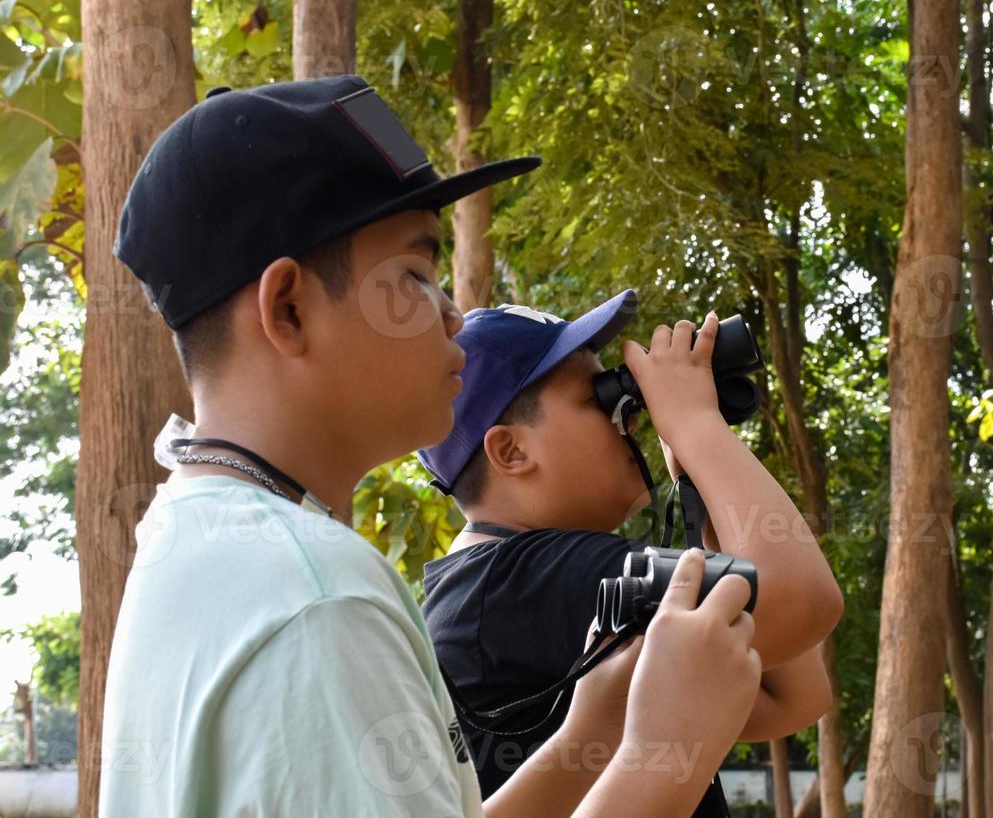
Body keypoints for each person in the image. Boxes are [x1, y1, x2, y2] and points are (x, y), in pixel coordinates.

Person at [100, 74, 762, 817]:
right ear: (288, 309)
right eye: (415, 275)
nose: (452, 316)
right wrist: (657, 757)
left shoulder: (198, 535)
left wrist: (594, 734)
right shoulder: (317, 597)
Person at [416, 291, 845, 816]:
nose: (632, 418)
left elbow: (792, 696)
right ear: (511, 451)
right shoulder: (539, 574)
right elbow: (804, 601)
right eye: (599, 398)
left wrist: (699, 468)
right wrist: (693, 425)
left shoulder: (490, 585)